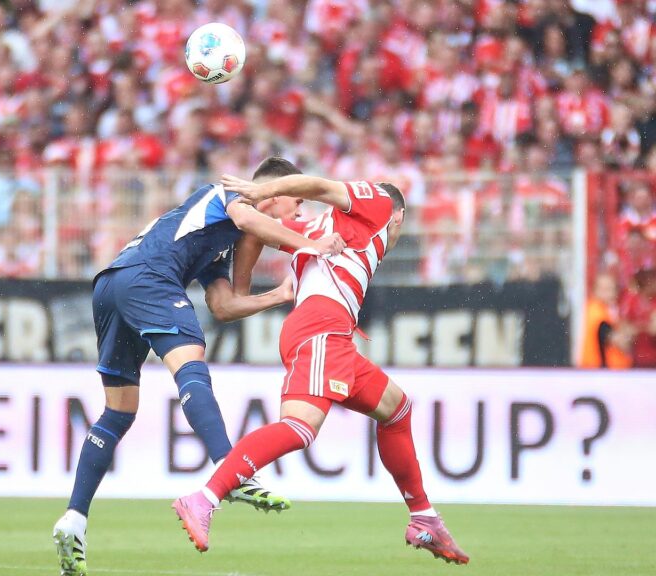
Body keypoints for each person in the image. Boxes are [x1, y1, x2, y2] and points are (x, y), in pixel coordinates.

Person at [52, 157, 346, 576]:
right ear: (274, 193)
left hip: (112, 285)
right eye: (297, 202)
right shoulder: (230, 194)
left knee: (118, 412)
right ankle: (230, 470)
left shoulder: (219, 237)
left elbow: (223, 305)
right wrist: (310, 245)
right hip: (148, 278)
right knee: (191, 364)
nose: (299, 213)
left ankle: (74, 519)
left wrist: (278, 296)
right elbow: (252, 219)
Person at [172, 173, 470, 565]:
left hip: (331, 333)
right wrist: (267, 189)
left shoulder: (310, 226)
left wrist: (242, 286)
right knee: (299, 428)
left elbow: (258, 233)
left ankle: (423, 518)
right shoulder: (381, 203)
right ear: (398, 217)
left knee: (396, 409)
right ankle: (205, 498)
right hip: (321, 328)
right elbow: (321, 186)